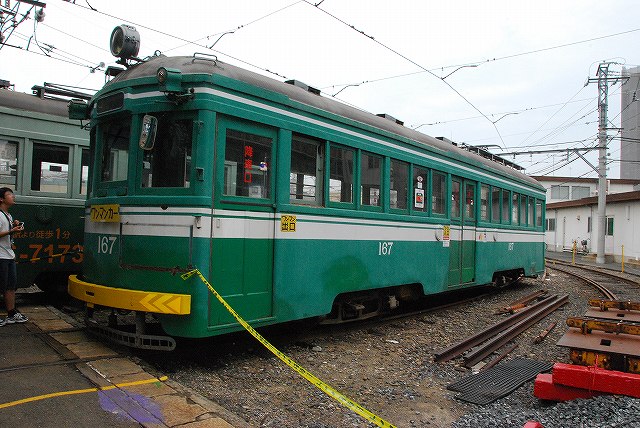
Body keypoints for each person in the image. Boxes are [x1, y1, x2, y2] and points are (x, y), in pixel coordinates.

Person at [0, 187, 27, 326]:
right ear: (1, 199)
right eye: (9, 194)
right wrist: (11, 230)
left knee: (11, 286)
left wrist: (14, 227)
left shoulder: (8, 215)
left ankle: (11, 313)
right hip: (1, 256)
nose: (13, 196)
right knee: (1, 286)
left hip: (9, 255)